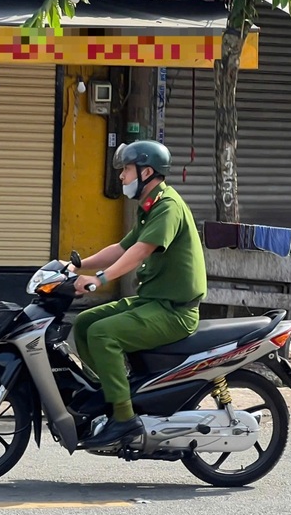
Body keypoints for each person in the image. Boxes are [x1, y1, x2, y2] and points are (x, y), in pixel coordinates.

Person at [71, 140, 207, 448]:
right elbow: (122, 248)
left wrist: (99, 280)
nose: (121, 177)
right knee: (83, 324)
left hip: (175, 311)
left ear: (147, 172)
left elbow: (140, 253)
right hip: (152, 301)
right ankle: (110, 394)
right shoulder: (151, 206)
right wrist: (77, 266)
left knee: (103, 334)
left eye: (126, 170)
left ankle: (124, 418)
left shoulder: (168, 207)